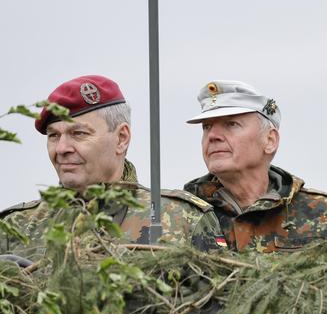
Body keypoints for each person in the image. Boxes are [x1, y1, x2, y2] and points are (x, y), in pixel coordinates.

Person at [0, 75, 225, 261]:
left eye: (79, 134)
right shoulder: (15, 229)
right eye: (54, 136)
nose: (62, 148)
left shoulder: (182, 220)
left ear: (121, 138)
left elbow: (216, 310)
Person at [183, 80, 327, 253]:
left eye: (231, 124)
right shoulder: (178, 215)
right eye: (206, 127)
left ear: (270, 140)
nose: (213, 135)